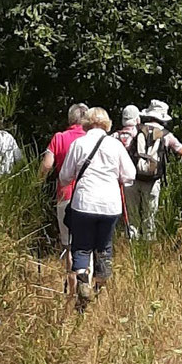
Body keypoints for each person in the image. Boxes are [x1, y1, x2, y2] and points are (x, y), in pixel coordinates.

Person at [58, 108, 135, 307]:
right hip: (110, 205)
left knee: (82, 247)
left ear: (86, 123)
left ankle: (83, 282)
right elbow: (130, 175)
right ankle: (100, 287)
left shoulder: (78, 144)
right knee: (104, 246)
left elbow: (65, 177)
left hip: (83, 203)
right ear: (107, 124)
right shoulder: (115, 145)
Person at [128, 98, 182, 241]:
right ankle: (148, 245)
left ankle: (131, 244)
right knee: (150, 216)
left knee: (132, 215)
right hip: (153, 180)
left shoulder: (136, 130)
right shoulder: (166, 135)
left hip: (133, 178)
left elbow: (125, 148)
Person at [38, 103, 88, 258]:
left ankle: (71, 278)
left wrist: (37, 183)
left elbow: (46, 165)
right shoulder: (91, 139)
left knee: (68, 244)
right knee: (87, 243)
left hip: (65, 194)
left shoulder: (59, 138)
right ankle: (85, 277)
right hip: (88, 195)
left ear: (69, 119)